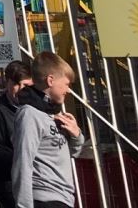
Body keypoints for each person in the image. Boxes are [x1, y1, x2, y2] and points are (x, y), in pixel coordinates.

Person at [11, 51, 85, 208]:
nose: (68, 90)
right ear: (50, 80)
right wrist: (24, 205)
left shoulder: (52, 113)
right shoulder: (29, 115)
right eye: (66, 84)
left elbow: (67, 154)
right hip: (45, 199)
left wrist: (76, 135)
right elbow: (23, 162)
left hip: (63, 198)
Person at [0, 59, 34, 208]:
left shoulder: (36, 110)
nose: (19, 89)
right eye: (15, 84)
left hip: (34, 181)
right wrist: (24, 157)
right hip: (11, 184)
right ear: (7, 83)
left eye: (25, 85)